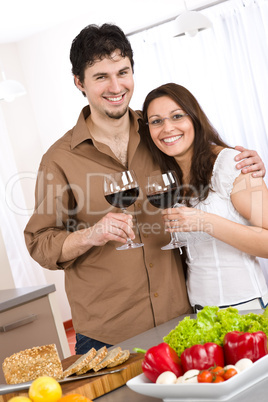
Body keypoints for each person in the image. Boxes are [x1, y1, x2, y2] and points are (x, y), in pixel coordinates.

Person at [24, 24, 266, 355]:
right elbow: (39, 243)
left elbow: (207, 161)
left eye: (123, 72)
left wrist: (245, 162)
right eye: (100, 76)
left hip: (182, 317)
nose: (115, 86)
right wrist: (90, 235)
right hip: (109, 332)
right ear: (79, 82)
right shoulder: (59, 159)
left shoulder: (160, 133)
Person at [142, 82, 268, 312]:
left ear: (194, 118)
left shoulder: (234, 163)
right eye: (156, 121)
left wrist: (204, 221)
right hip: (199, 311)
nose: (167, 128)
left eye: (177, 116)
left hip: (246, 307)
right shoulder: (169, 179)